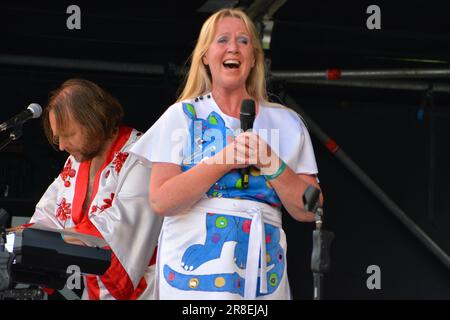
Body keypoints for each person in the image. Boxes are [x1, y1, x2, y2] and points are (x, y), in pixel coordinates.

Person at [130, 8, 322, 300]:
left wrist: (271, 163)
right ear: (205, 55)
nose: (233, 47)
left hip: (261, 267)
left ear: (254, 57)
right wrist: (224, 160)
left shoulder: (286, 122)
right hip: (196, 276)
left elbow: (311, 209)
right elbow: (161, 200)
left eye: (243, 41)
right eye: (222, 39)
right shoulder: (181, 116)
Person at [19, 79, 162, 300]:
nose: (62, 146)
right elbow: (47, 216)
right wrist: (19, 236)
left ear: (95, 120)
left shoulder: (142, 157)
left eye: (68, 135)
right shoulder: (75, 162)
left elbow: (121, 228)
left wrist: (54, 239)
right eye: (59, 137)